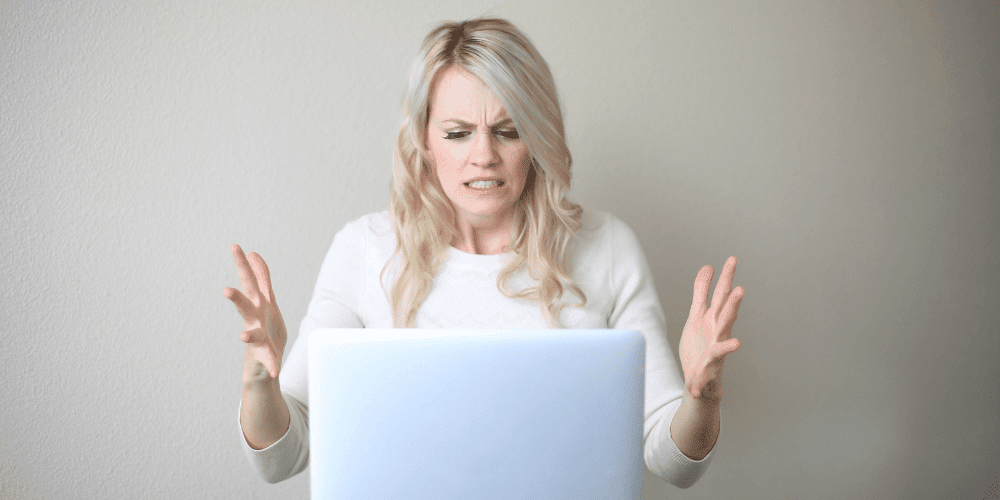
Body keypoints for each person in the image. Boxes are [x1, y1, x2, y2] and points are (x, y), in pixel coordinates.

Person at [223, 18, 745, 488]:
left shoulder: (607, 247)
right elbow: (280, 461)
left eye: (508, 130)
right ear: (424, 139)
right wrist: (258, 382)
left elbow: (674, 463)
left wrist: (703, 400)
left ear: (537, 137)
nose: (484, 156)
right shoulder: (364, 251)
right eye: (457, 133)